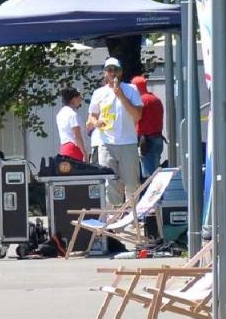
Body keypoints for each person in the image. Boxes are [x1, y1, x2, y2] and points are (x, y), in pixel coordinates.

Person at [85, 56, 142, 206]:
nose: (112, 73)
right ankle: (113, 218)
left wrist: (121, 96)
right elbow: (91, 117)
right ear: (104, 73)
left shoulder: (131, 89)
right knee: (110, 183)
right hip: (106, 143)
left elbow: (137, 115)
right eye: (109, 70)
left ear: (121, 72)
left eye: (115, 70)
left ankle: (132, 217)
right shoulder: (98, 93)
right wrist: (96, 122)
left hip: (128, 142)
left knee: (132, 183)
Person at [132, 75, 165, 178]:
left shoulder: (140, 101)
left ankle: (152, 194)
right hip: (158, 138)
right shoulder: (155, 99)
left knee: (149, 176)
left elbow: (136, 118)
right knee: (156, 170)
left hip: (147, 141)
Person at [56, 88, 87, 161]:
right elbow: (77, 135)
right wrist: (85, 153)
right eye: (79, 98)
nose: (81, 100)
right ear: (74, 99)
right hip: (74, 149)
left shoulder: (60, 114)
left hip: (64, 148)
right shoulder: (72, 114)